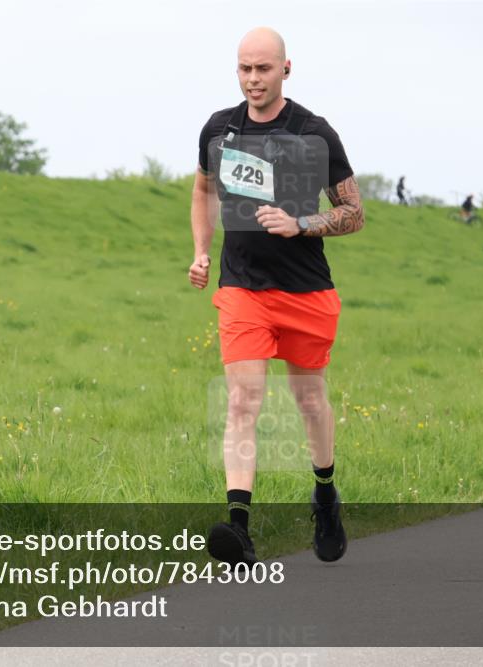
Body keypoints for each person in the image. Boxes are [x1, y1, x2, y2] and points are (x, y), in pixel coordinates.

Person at [188, 26, 364, 567]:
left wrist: (300, 223)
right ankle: (238, 529)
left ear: (286, 69)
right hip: (242, 288)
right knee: (242, 400)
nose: (252, 79)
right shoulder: (219, 130)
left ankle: (326, 494)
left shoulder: (314, 134)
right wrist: (200, 251)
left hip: (306, 290)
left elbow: (354, 214)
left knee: (310, 402)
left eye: (262, 69)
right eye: (244, 68)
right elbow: (203, 190)